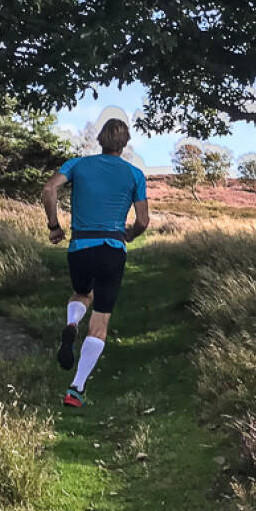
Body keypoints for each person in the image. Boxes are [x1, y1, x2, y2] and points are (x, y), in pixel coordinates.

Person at [40, 118, 149, 408]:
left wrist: (54, 225)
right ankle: (75, 388)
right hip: (112, 248)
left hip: (80, 247)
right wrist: (130, 235)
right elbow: (142, 221)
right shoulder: (135, 174)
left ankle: (72, 322)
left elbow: (49, 190)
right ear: (125, 144)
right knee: (100, 321)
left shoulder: (77, 164)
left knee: (81, 293)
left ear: (100, 140)